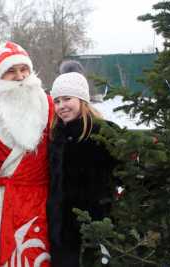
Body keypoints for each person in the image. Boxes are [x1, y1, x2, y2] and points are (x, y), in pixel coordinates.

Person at [0, 41, 52, 266]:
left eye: (24, 69)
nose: (19, 77)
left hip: (39, 204)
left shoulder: (49, 105)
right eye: (11, 71)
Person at [47, 72, 118, 267]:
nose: (62, 106)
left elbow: (125, 173)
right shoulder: (56, 137)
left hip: (95, 230)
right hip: (62, 233)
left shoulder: (103, 133)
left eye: (67, 99)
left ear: (82, 99)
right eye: (57, 101)